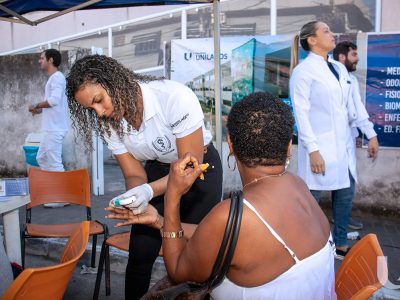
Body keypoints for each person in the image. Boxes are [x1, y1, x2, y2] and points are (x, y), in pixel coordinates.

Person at [106, 92, 336, 300]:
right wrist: (157, 221)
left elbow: (177, 271)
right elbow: (220, 238)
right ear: (288, 147)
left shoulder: (232, 215)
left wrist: (172, 197)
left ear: (230, 145)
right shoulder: (298, 186)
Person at [65, 55, 222, 299]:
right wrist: (135, 196)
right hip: (159, 170)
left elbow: (189, 169)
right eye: (90, 109)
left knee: (198, 254)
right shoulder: (108, 124)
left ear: (115, 82)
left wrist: (148, 192)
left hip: (200, 171)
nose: (99, 112)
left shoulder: (173, 97)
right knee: (140, 254)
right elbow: (133, 172)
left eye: (99, 100)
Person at [289, 21, 378, 260]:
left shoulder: (339, 69)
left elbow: (353, 106)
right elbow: (301, 112)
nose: (332, 34)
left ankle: (339, 243)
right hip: (319, 148)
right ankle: (308, 248)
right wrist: (313, 150)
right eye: (326, 30)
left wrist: (370, 133)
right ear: (312, 40)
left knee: (345, 196)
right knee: (312, 204)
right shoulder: (303, 72)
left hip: (343, 149)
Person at [333, 40, 379, 230]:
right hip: (325, 143)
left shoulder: (350, 80)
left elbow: (358, 110)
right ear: (341, 57)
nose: (357, 59)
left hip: (345, 141)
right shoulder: (328, 75)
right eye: (354, 55)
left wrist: (371, 135)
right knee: (315, 191)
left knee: (346, 185)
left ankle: (340, 223)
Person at [28, 49, 69, 208]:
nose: (40, 61)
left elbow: (53, 101)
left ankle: (63, 197)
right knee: (42, 159)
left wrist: (36, 105)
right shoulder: (53, 79)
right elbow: (51, 105)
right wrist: (38, 110)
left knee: (55, 163)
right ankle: (54, 192)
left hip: (54, 130)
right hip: (50, 129)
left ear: (50, 60)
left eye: (42, 58)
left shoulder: (57, 78)